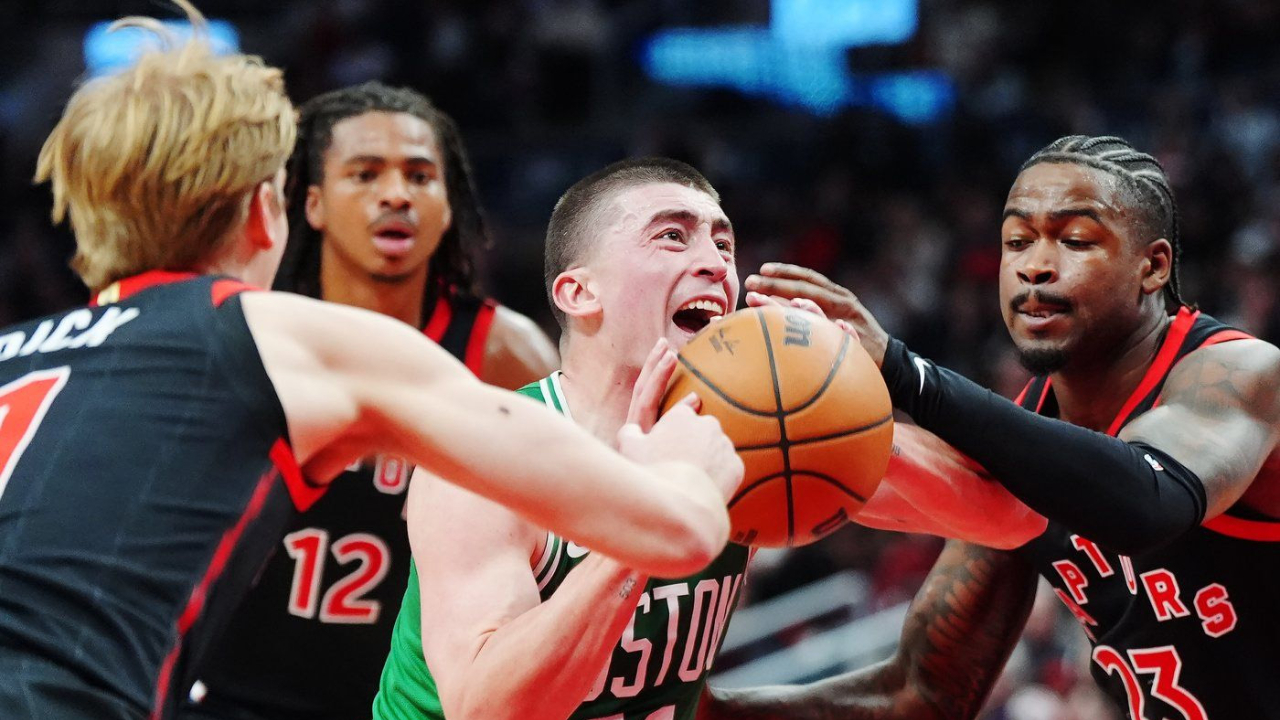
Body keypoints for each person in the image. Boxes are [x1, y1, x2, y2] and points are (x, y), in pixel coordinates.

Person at [0, 9, 743, 720]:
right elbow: (670, 528)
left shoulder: (18, 353)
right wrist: (680, 471)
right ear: (270, 209)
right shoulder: (289, 337)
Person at [371, 158, 1043, 720]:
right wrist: (657, 512)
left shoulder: (745, 434)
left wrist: (849, 417)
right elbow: (486, 710)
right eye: (673, 236)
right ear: (580, 292)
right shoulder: (490, 455)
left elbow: (1010, 521)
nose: (716, 264)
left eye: (723, 244)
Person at [732, 135, 1280, 718]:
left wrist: (900, 369)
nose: (1034, 265)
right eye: (1016, 241)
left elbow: (1146, 501)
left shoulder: (1242, 373)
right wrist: (692, 709)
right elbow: (925, 692)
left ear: (1153, 266)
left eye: (1074, 240)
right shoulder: (1027, 436)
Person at [188, 82, 558, 720]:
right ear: (311, 205)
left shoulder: (503, 354)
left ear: (447, 207)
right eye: (364, 174)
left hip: (407, 705)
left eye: (420, 176)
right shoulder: (251, 333)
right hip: (231, 697)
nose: (396, 194)